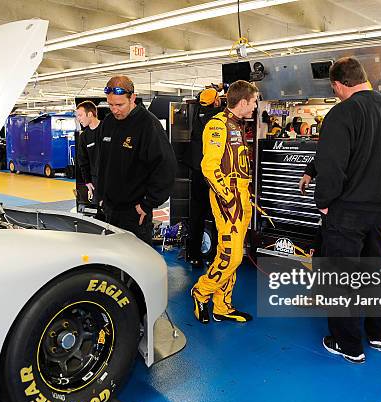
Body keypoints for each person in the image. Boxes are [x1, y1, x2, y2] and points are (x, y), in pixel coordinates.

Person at [312, 57, 381, 363]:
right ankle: (378, 331)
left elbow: (332, 167)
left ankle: (349, 345)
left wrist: (325, 204)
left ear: (339, 84)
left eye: (334, 89)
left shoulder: (342, 113)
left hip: (348, 212)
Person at [190, 80, 258, 324]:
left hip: (241, 196)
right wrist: (228, 198)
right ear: (242, 102)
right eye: (253, 102)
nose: (255, 107)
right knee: (233, 256)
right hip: (228, 198)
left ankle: (222, 306)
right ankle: (201, 291)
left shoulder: (236, 125)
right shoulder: (217, 125)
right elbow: (209, 167)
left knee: (230, 253)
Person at [95, 75, 176, 245]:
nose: (115, 110)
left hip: (135, 213)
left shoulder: (148, 125)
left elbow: (166, 168)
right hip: (109, 209)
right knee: (111, 262)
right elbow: (102, 162)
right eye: (110, 105)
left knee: (136, 266)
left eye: (119, 105)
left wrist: (148, 203)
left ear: (132, 97)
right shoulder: (108, 123)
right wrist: (101, 196)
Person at [185, 87, 223, 267]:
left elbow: (202, 96)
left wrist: (215, 90)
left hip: (196, 173)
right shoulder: (218, 117)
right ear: (216, 101)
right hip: (212, 175)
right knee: (218, 215)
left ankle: (193, 255)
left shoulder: (197, 114)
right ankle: (216, 255)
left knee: (196, 216)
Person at [75, 101, 101, 207]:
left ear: (90, 114)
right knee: (100, 217)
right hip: (96, 183)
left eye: (80, 115)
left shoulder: (108, 129)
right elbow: (82, 160)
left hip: (113, 181)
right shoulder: (84, 137)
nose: (78, 119)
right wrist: (88, 182)